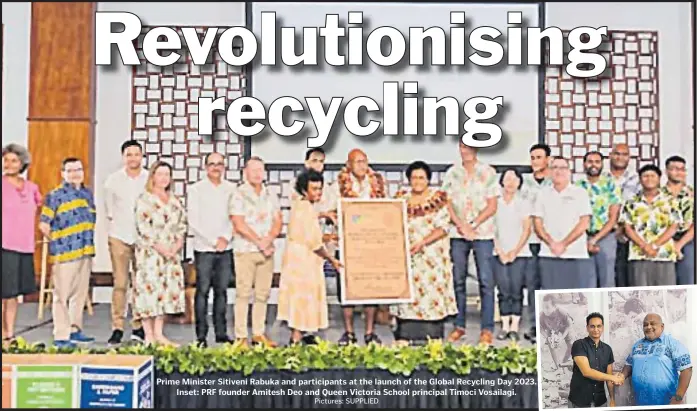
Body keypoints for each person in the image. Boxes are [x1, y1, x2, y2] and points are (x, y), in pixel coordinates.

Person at [390, 161, 458, 343]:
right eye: (414, 178)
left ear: (428, 180)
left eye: (421, 177)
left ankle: (433, 335)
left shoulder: (439, 199)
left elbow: (444, 228)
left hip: (431, 258)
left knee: (430, 296)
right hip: (407, 258)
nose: (417, 181)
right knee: (407, 296)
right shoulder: (401, 200)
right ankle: (404, 335)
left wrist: (422, 243)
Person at [278, 169, 342, 345]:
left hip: (296, 258)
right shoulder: (305, 208)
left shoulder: (300, 203)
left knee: (299, 298)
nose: (318, 193)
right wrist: (332, 260)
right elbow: (315, 244)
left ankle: (301, 335)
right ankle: (296, 339)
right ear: (304, 190)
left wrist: (323, 215)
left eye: (320, 189)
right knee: (303, 298)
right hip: (304, 261)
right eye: (314, 189)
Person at [442, 143, 498, 345]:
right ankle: (459, 326)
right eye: (461, 147)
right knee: (457, 280)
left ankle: (487, 329)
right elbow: (446, 203)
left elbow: (492, 206)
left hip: (482, 233)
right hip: (457, 233)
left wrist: (472, 225)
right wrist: (461, 225)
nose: (464, 151)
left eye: (468, 147)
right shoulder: (452, 172)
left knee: (486, 281)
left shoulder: (488, 172)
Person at [39, 158, 96, 348]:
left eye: (78, 169)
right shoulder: (55, 195)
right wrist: (58, 239)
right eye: (70, 170)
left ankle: (74, 329)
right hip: (65, 252)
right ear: (62, 173)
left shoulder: (87, 194)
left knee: (79, 294)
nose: (75, 174)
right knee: (61, 295)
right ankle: (61, 334)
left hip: (85, 251)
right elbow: (44, 224)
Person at [332, 149, 386, 346]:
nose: (362, 165)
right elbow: (331, 211)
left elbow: (383, 210)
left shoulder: (376, 182)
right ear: (349, 165)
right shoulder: (336, 185)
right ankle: (349, 332)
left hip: (370, 244)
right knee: (347, 290)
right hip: (347, 243)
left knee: (369, 289)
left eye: (365, 161)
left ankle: (370, 333)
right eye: (357, 162)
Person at [230, 156, 282, 348]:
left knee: (263, 294)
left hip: (267, 251)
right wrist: (259, 242)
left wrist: (268, 240)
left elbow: (278, 220)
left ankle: (259, 334)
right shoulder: (238, 194)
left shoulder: (271, 194)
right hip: (245, 251)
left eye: (260, 170)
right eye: (253, 170)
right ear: (246, 172)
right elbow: (238, 223)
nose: (257, 174)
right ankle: (241, 336)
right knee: (243, 293)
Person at [133, 161, 187, 346]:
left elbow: (182, 226)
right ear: (153, 176)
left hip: (171, 255)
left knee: (165, 292)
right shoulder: (144, 199)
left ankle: (159, 333)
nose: (164, 178)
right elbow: (143, 227)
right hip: (151, 254)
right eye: (160, 174)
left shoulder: (174, 200)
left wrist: (177, 245)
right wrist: (160, 247)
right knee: (149, 292)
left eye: (167, 174)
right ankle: (148, 335)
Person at [187, 152, 236, 347]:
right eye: (212, 164)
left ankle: (221, 333)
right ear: (206, 167)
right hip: (204, 248)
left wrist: (225, 237)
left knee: (222, 292)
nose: (216, 167)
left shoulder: (232, 189)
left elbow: (235, 216)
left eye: (219, 164)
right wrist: (213, 240)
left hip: (226, 247)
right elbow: (193, 220)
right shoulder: (196, 190)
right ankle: (200, 336)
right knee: (203, 291)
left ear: (224, 167)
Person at [104, 140, 148, 345]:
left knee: (141, 284)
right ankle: (117, 326)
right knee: (120, 283)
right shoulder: (113, 180)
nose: (133, 158)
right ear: (123, 157)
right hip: (119, 236)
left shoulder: (149, 179)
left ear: (142, 156)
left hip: (143, 239)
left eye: (136, 154)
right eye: (129, 154)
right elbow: (109, 210)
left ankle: (138, 326)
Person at [533, 157, 594, 289]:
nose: (558, 171)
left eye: (562, 168)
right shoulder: (542, 194)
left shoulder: (580, 193)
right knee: (551, 299)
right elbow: (538, 223)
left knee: (575, 300)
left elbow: (584, 223)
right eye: (554, 168)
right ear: (549, 171)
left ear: (569, 171)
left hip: (575, 254)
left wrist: (563, 244)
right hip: (548, 254)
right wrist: (552, 243)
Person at [2, 144, 41, 346]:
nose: (8, 164)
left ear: (22, 163)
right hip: (4, 246)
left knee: (14, 295)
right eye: (6, 160)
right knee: (3, 292)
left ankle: (9, 333)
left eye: (13, 161)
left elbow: (42, 210)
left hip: (24, 246)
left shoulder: (32, 187)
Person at [619, 165, 681, 286]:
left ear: (659, 178)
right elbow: (628, 227)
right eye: (645, 176)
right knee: (641, 295)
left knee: (665, 295)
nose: (649, 179)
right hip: (638, 255)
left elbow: (674, 226)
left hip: (664, 255)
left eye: (653, 176)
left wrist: (655, 245)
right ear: (640, 179)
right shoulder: (631, 202)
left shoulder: (670, 201)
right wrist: (644, 246)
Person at [492, 168, 532, 341]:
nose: (510, 182)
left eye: (514, 179)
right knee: (503, 289)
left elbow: (527, 229)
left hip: (520, 253)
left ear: (519, 182)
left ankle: (514, 327)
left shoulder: (524, 202)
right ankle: (504, 325)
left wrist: (515, 251)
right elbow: (491, 228)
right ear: (501, 181)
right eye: (507, 179)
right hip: (498, 252)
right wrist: (500, 250)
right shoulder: (496, 202)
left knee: (516, 290)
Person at [617, 313, 693, 406]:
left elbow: (686, 370)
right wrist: (622, 376)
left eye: (652, 323)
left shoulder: (672, 344)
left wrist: (678, 397)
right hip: (640, 404)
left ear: (662, 326)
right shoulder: (637, 346)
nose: (648, 327)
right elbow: (629, 364)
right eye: (645, 324)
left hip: (666, 404)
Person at [575, 151, 622, 288]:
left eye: (597, 161)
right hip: (582, 237)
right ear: (584, 164)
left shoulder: (611, 185)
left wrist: (595, 239)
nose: (593, 165)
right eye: (590, 161)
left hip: (606, 237)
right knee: (585, 280)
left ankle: (607, 309)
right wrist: (586, 239)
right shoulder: (577, 186)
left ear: (602, 164)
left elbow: (613, 218)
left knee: (607, 279)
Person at [521, 143, 553, 344]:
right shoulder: (524, 183)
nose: (534, 161)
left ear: (548, 159)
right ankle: (535, 325)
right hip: (530, 241)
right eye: (532, 157)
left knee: (551, 285)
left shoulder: (555, 182)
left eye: (538, 157)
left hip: (551, 241)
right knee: (533, 285)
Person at [603, 143, 641, 288]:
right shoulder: (602, 178)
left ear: (629, 158)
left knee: (627, 276)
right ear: (610, 156)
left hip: (630, 234)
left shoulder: (637, 179)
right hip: (606, 233)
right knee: (607, 276)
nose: (620, 157)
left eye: (624, 154)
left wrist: (623, 226)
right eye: (617, 153)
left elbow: (639, 207)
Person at [568, 313, 623, 408]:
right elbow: (587, 372)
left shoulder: (607, 349)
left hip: (600, 402)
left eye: (599, 326)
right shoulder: (579, 345)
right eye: (592, 326)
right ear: (587, 328)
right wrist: (614, 378)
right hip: (579, 402)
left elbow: (609, 378)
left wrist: (612, 400)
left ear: (603, 327)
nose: (596, 329)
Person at [662, 156, 695, 285]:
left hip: (688, 239)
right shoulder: (659, 193)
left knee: (688, 280)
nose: (679, 172)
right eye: (674, 169)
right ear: (666, 171)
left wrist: (679, 245)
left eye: (682, 169)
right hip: (663, 240)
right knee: (665, 282)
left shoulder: (692, 194)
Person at [539, 295, 575, 367]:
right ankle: (557, 366)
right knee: (550, 343)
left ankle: (563, 362)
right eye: (543, 307)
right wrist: (547, 337)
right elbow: (540, 328)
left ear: (554, 306)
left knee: (572, 344)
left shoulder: (562, 312)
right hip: (551, 328)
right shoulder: (542, 315)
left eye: (547, 307)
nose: (545, 310)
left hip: (564, 326)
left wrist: (562, 338)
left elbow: (569, 325)